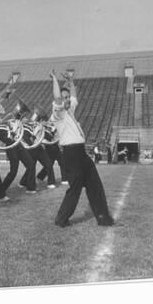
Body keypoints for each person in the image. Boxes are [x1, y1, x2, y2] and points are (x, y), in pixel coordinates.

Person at [49, 70, 114, 227]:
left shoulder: (70, 111)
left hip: (81, 153)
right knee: (75, 189)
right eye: (63, 98)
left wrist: (71, 81)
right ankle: (61, 219)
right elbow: (57, 97)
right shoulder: (57, 114)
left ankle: (103, 218)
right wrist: (54, 79)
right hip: (71, 154)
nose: (66, 100)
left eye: (66, 98)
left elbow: (74, 96)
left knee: (95, 184)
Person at [37, 117, 68, 185]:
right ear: (41, 121)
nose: (48, 122)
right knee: (50, 164)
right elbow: (49, 137)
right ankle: (40, 177)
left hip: (55, 146)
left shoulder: (48, 127)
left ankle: (64, 179)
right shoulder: (41, 129)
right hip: (49, 148)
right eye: (46, 121)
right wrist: (54, 130)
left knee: (61, 162)